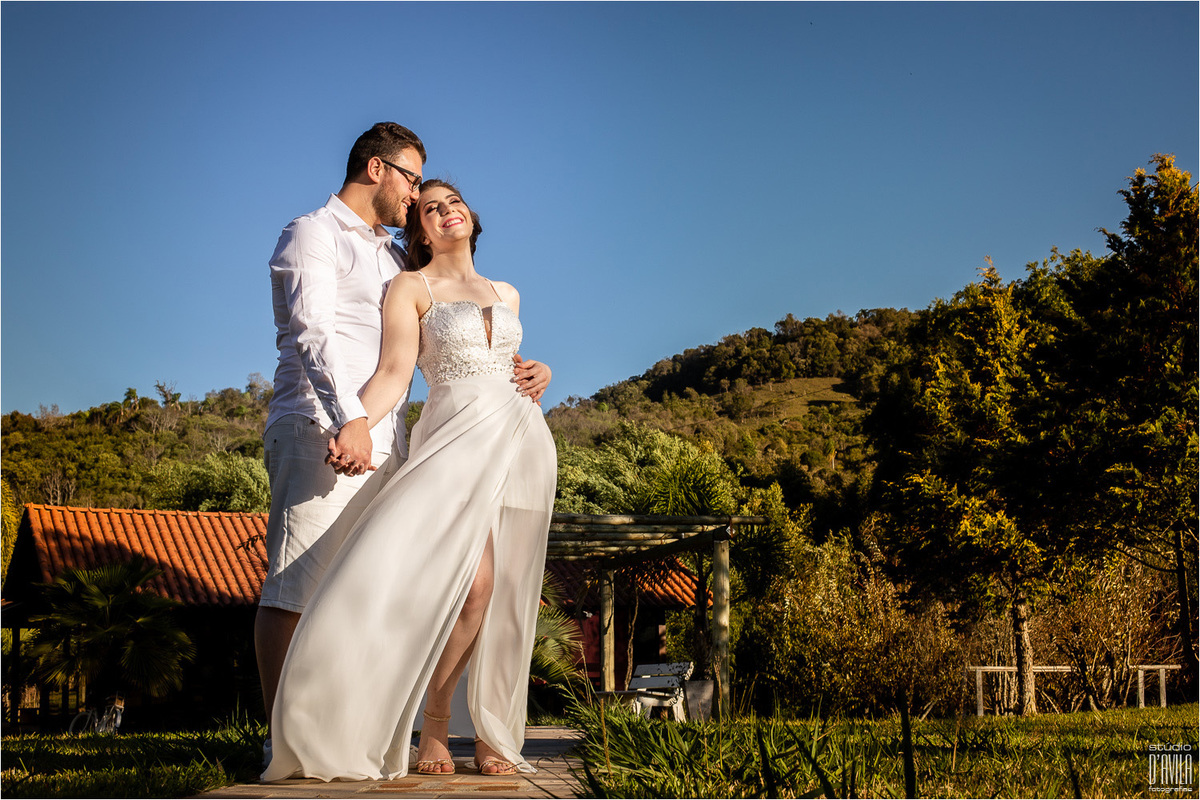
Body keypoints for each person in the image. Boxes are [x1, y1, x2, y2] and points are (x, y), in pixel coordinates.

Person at [256, 125, 551, 764]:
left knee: (373, 588)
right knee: (295, 588)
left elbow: (472, 348)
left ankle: (355, 730)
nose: (422, 195)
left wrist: (538, 371)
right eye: (414, 182)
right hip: (320, 425)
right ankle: (288, 744)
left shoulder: (394, 257)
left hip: (389, 442)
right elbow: (313, 336)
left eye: (435, 190)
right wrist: (348, 420)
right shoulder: (313, 234)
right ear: (375, 168)